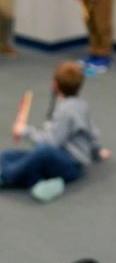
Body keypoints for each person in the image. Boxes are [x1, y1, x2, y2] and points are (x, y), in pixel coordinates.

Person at [2, 61, 108, 202]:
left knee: (41, 152)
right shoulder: (81, 105)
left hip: (70, 165)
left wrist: (25, 131)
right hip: (58, 158)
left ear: (55, 85)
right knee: (6, 155)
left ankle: (7, 176)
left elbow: (52, 143)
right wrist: (97, 151)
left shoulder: (65, 111)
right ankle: (38, 182)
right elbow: (91, 132)